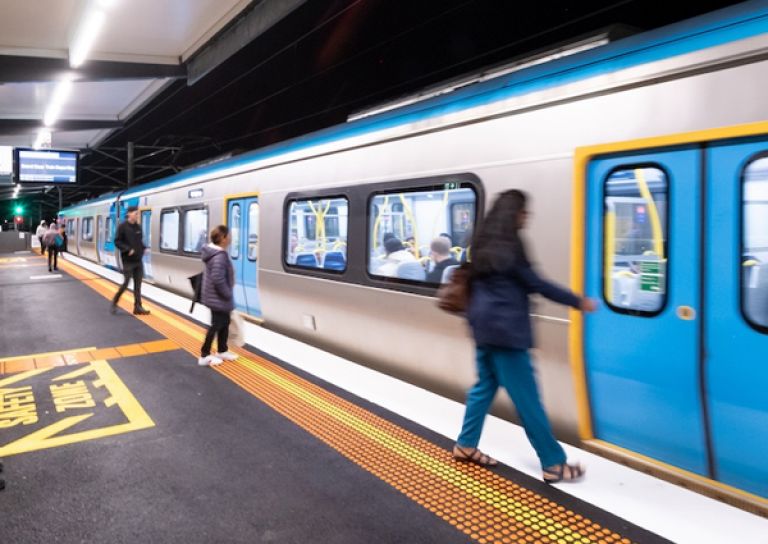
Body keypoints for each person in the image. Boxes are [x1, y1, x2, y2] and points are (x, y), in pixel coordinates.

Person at [452, 189, 597, 483]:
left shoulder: (479, 241)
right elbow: (536, 283)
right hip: (507, 332)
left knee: (484, 388)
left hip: (482, 327)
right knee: (528, 400)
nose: (526, 217)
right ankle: (553, 463)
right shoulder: (512, 245)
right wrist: (577, 301)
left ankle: (466, 445)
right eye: (523, 211)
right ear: (514, 214)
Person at [199, 225, 239, 366]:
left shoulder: (217, 253)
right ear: (223, 238)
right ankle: (204, 354)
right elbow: (217, 278)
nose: (230, 239)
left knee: (225, 323)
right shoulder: (219, 257)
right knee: (217, 324)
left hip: (216, 296)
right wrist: (227, 293)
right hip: (218, 297)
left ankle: (222, 350)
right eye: (228, 236)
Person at [111, 206, 150, 315]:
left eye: (137, 214)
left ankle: (138, 307)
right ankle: (114, 302)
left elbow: (139, 241)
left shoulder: (138, 227)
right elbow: (117, 242)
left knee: (138, 285)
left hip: (138, 260)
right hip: (128, 261)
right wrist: (128, 249)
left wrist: (144, 248)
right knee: (126, 283)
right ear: (129, 214)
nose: (137, 215)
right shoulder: (122, 227)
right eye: (136, 213)